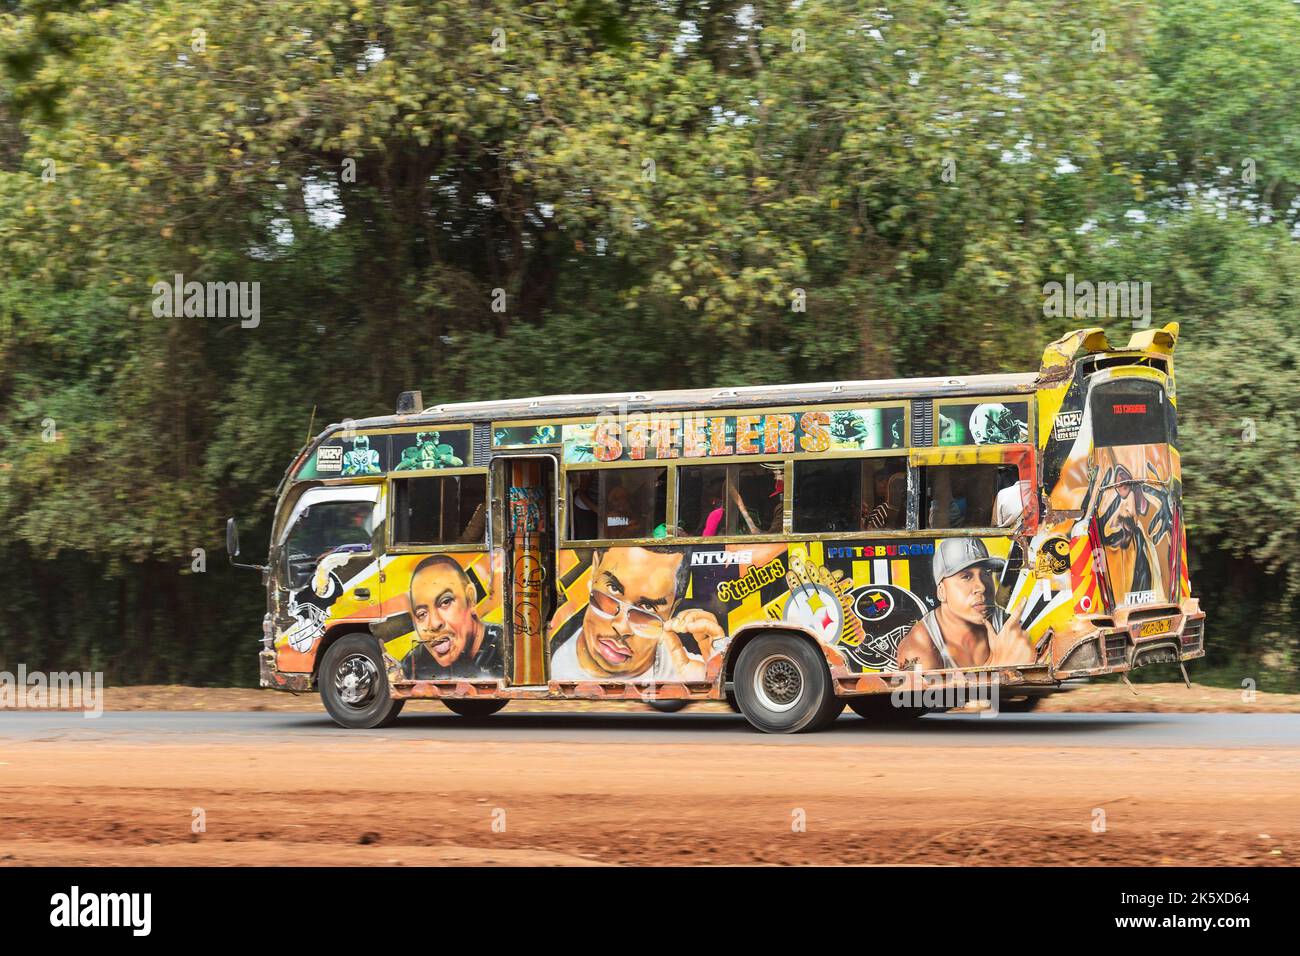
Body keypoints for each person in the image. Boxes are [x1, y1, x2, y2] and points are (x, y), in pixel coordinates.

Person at [549, 546, 724, 681]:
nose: (621, 627)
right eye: (613, 590)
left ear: (672, 611)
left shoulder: (686, 669)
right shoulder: (553, 651)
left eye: (647, 608)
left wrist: (710, 675)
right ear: (594, 570)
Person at [893, 538, 1033, 669]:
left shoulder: (1006, 624)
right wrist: (999, 664)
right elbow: (922, 695)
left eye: (986, 573)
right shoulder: (919, 646)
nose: (982, 587)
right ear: (942, 591)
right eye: (966, 576)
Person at [401, 555, 502, 679]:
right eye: (422, 614)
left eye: (445, 602)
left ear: (470, 599)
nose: (434, 624)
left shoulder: (507, 648)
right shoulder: (411, 665)